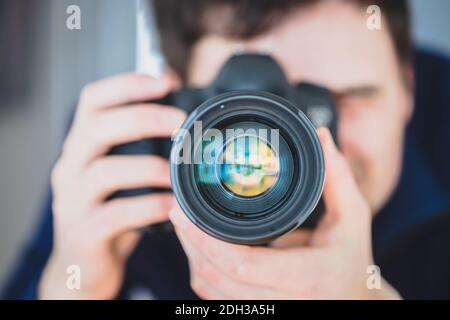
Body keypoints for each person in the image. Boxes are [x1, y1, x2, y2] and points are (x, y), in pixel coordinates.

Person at [3, 0, 450, 299]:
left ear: (410, 88)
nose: (306, 147)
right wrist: (73, 284)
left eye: (347, 99)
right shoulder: (129, 151)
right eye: (246, 113)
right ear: (180, 98)